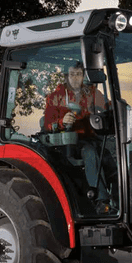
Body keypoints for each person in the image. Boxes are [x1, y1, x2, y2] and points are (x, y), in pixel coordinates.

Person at [44, 62, 114, 214]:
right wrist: (62, 122)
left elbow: (108, 106)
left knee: (110, 155)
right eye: (72, 74)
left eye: (79, 74)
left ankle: (118, 197)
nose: (75, 78)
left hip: (91, 138)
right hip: (67, 142)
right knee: (89, 152)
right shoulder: (56, 97)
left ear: (84, 76)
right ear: (66, 76)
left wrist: (118, 110)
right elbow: (47, 124)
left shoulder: (92, 93)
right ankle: (100, 200)